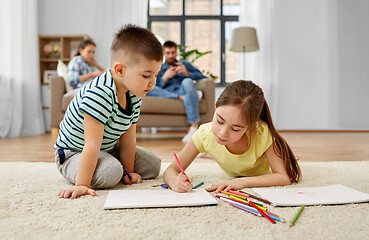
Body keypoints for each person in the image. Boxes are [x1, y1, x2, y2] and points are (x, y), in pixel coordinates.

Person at [55, 24, 164, 199]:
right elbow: (91, 144)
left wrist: (129, 173)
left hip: (108, 147)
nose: (152, 83)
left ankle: (116, 166)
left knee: (153, 165)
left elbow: (128, 137)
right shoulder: (99, 94)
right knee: (111, 173)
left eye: (156, 75)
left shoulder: (134, 93)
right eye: (146, 76)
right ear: (120, 70)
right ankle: (89, 173)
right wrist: (82, 185)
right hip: (74, 152)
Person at [163, 80, 302, 193]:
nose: (222, 132)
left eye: (235, 129)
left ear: (251, 127)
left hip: (262, 176)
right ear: (215, 106)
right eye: (219, 121)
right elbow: (170, 170)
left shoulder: (262, 134)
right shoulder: (204, 135)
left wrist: (242, 182)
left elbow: (283, 177)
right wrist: (175, 182)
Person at [146, 40, 206, 142]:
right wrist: (164, 78)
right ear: (163, 53)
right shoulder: (159, 67)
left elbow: (203, 77)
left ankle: (194, 127)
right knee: (150, 88)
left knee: (187, 81)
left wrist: (187, 73)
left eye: (173, 52)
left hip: (183, 89)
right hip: (168, 93)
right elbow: (153, 85)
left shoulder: (184, 64)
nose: (170, 55)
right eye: (168, 53)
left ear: (176, 52)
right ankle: (188, 97)